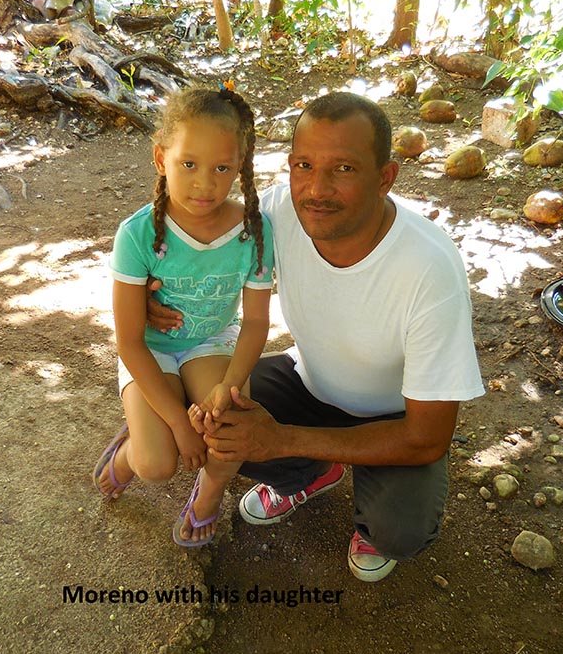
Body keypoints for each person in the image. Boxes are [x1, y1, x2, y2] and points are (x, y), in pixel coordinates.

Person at [149, 91, 485, 581]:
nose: (317, 189)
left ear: (385, 178)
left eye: (344, 169)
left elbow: (427, 437)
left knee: (399, 528)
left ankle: (361, 505)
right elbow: (191, 231)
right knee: (205, 411)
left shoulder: (429, 269)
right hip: (309, 381)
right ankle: (311, 472)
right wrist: (152, 293)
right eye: (304, 165)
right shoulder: (277, 212)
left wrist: (280, 439)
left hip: (396, 417)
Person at [93, 86, 274, 549]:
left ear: (240, 166)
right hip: (151, 350)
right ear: (161, 158)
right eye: (188, 164)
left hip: (213, 343)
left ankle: (208, 496)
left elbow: (256, 323)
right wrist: (177, 423)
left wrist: (228, 384)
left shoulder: (253, 231)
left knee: (229, 434)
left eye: (222, 168)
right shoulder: (137, 235)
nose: (205, 184)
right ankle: (130, 450)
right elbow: (129, 341)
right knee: (157, 464)